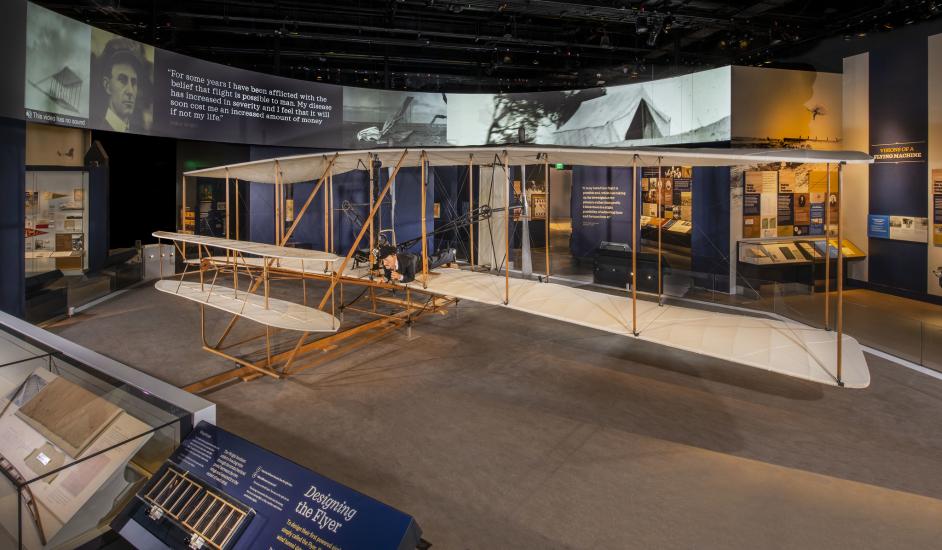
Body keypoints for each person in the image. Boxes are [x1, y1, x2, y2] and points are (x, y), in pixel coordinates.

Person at [97, 37, 145, 132]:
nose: (130, 91)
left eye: (134, 82)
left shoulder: (136, 130)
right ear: (107, 85)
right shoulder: (101, 128)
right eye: (122, 80)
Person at [378, 245, 456, 284]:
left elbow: (411, 277)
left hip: (419, 261)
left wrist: (399, 277)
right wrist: (385, 279)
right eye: (383, 260)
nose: (384, 263)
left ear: (394, 256)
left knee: (435, 261)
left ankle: (451, 253)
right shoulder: (386, 263)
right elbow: (387, 274)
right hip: (410, 257)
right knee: (434, 257)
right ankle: (444, 251)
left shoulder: (408, 261)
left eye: (386, 260)